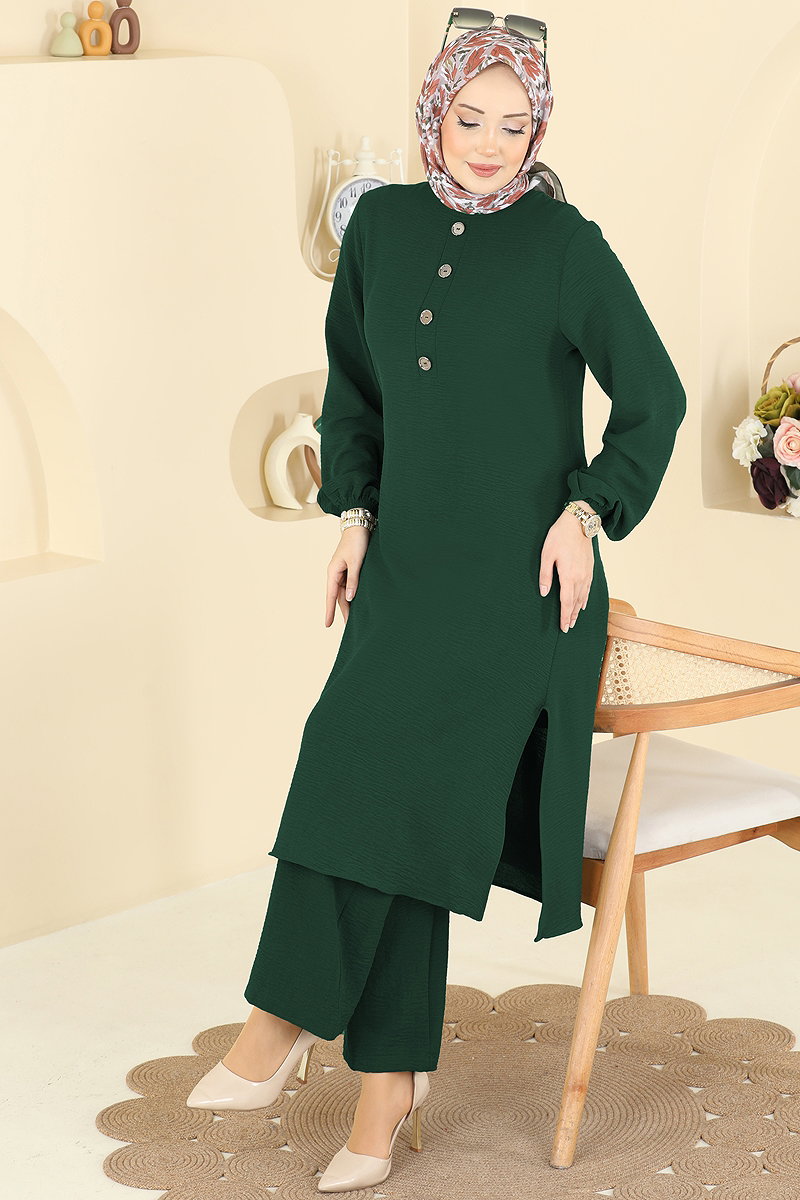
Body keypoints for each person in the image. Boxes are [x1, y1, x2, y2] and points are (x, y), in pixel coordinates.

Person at [185, 20, 687, 1194]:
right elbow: (351, 388)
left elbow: (652, 398)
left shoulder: (564, 244)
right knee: (359, 765)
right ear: (434, 112)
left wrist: (586, 512)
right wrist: (352, 516)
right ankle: (384, 1082)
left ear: (538, 128)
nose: (489, 145)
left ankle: (283, 1027)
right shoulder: (380, 228)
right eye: (469, 120)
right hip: (403, 568)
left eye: (514, 125)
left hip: (524, 588)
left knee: (405, 789)